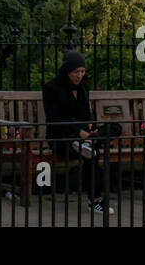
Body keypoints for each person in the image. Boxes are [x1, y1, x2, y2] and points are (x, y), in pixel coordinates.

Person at [42, 50, 121, 214]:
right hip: (61, 137)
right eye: (75, 72)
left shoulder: (84, 87)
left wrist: (90, 126)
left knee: (115, 127)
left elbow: (86, 113)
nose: (79, 75)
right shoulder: (51, 88)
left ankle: (91, 141)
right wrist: (78, 132)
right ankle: (95, 201)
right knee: (92, 154)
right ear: (67, 71)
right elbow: (54, 119)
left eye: (82, 71)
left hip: (83, 134)